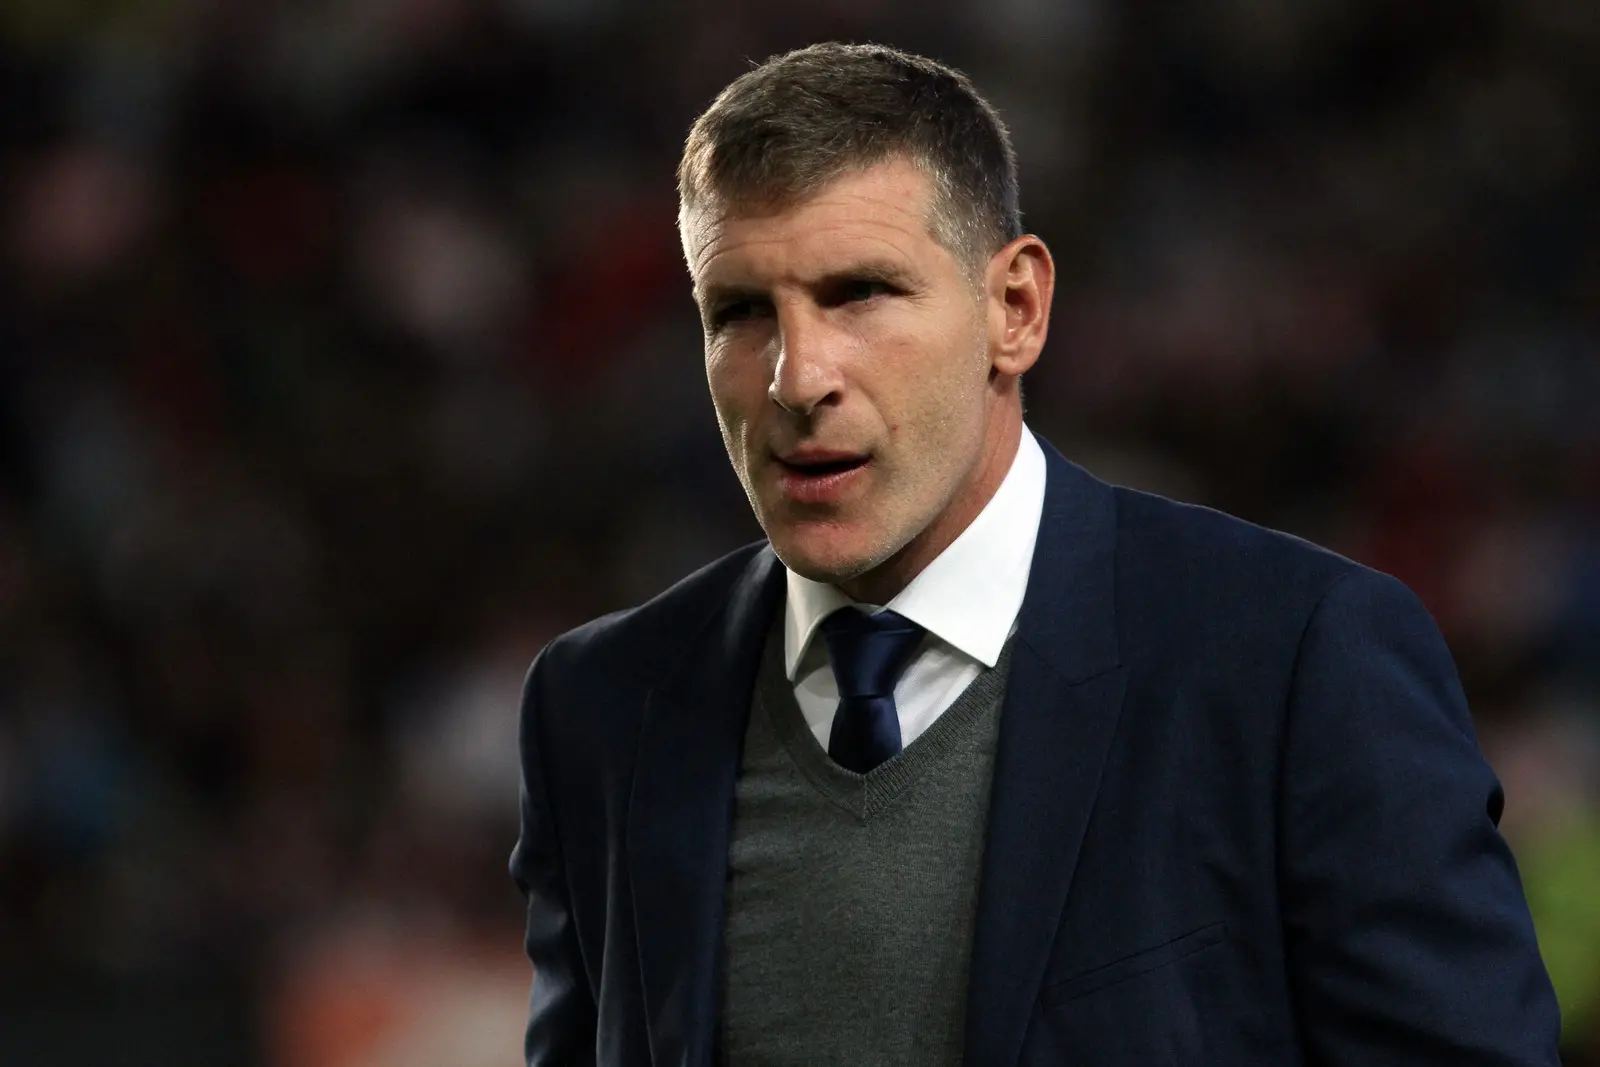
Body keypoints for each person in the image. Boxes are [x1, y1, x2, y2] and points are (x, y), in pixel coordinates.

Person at [509, 42, 1561, 1066]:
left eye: (859, 292)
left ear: (1014, 308)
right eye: (739, 312)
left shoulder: (1292, 661)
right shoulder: (600, 707)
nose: (795, 376)